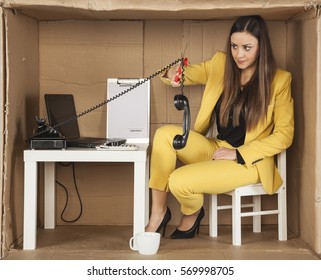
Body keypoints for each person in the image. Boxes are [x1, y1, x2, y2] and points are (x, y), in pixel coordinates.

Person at [145, 15, 294, 239]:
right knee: (164, 134)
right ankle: (158, 213)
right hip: (215, 147)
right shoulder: (220, 65)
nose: (239, 54)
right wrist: (171, 74)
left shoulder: (279, 81)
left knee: (177, 180)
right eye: (234, 46)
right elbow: (184, 75)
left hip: (248, 162)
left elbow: (284, 135)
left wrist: (239, 154)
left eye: (247, 47)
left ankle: (192, 211)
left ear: (262, 47)